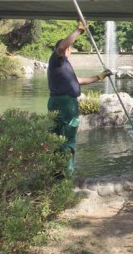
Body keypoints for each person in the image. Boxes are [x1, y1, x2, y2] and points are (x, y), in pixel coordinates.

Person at [47, 21, 113, 177]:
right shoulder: (57, 59)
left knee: (59, 138)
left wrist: (99, 77)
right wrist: (78, 31)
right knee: (67, 137)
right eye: (70, 48)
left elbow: (78, 81)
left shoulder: (63, 65)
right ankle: (64, 174)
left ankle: (57, 173)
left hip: (64, 102)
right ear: (66, 48)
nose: (70, 50)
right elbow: (62, 47)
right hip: (64, 103)